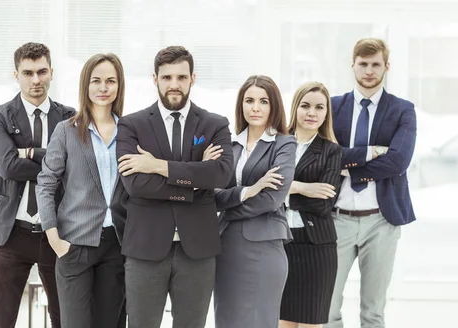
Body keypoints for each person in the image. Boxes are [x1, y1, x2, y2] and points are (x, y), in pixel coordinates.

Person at [116, 45, 234, 328]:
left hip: (198, 250)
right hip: (146, 247)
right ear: (155, 79)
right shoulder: (131, 125)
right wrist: (195, 182)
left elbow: (220, 176)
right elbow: (136, 183)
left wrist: (157, 166)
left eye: (181, 77)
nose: (174, 85)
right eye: (167, 77)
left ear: (193, 78)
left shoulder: (215, 125)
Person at [325, 38, 417, 328]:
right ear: (352, 64)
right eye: (363, 63)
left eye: (375, 64)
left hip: (381, 221)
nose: (368, 70)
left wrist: (351, 172)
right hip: (336, 219)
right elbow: (325, 156)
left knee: (373, 312)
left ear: (386, 67)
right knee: (326, 308)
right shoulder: (332, 106)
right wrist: (370, 152)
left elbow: (398, 161)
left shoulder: (402, 110)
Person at [0, 42, 75, 328]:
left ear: (51, 73)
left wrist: (31, 153)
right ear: (16, 75)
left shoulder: (71, 117)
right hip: (13, 231)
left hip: (57, 232)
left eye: (42, 71)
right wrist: (54, 163)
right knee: (1, 318)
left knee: (65, 316)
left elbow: (74, 168)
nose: (35, 80)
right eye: (28, 73)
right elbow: (8, 167)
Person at [36, 53, 128, 328]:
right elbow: (46, 184)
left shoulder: (131, 131)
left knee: (110, 323)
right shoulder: (66, 131)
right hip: (75, 244)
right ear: (85, 85)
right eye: (96, 81)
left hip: (117, 244)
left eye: (110, 81)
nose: (103, 88)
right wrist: (53, 237)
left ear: (119, 86)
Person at [212, 75, 297, 328]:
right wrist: (248, 191)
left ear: (274, 106)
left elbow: (272, 198)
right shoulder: (229, 145)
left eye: (263, 101)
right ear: (241, 105)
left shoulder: (284, 144)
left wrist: (230, 205)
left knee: (259, 320)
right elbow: (212, 196)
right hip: (226, 246)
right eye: (249, 101)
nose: (255, 107)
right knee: (227, 320)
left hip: (264, 245)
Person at [279, 82, 342, 328]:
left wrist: (282, 190)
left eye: (319, 107)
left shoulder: (331, 151)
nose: (311, 113)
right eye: (305, 106)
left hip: (317, 247)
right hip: (280, 242)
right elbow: (259, 189)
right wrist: (303, 188)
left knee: (310, 323)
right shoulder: (277, 143)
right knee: (284, 322)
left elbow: (323, 205)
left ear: (326, 113)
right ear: (295, 108)